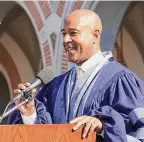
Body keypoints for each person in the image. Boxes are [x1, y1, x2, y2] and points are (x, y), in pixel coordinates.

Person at [8, 9, 144, 142]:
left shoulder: (122, 81)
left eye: (73, 33)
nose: (66, 40)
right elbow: (45, 135)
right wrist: (30, 114)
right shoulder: (56, 86)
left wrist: (104, 128)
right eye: (64, 33)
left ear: (95, 36)